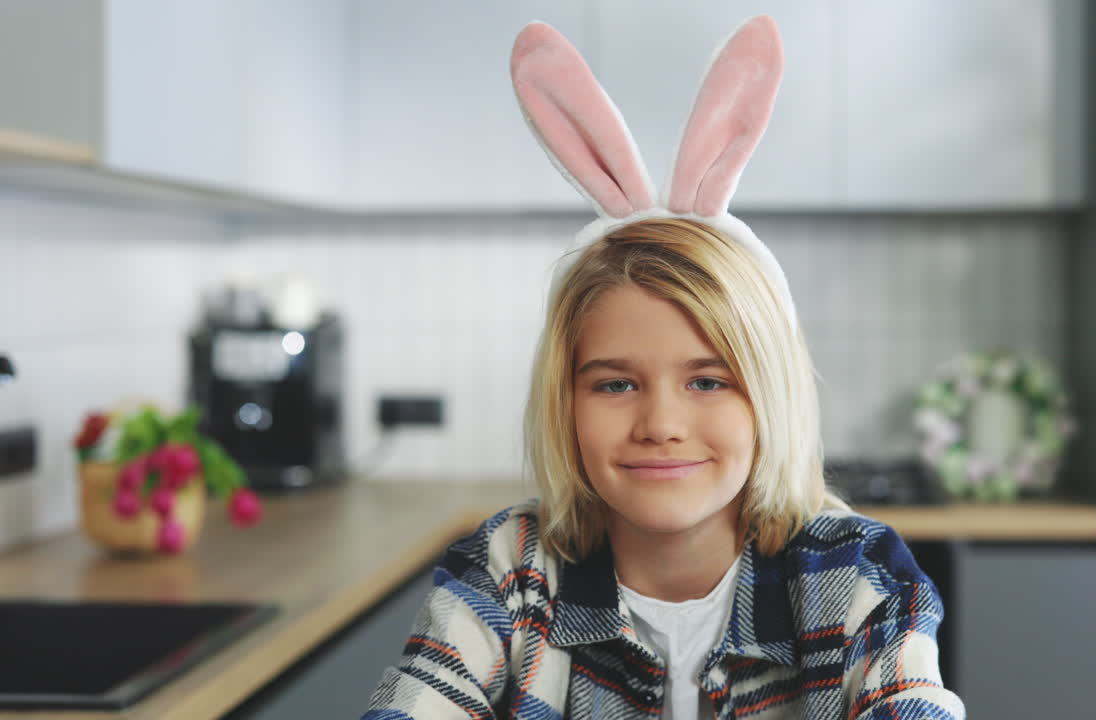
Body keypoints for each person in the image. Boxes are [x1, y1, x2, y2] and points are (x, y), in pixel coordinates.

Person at [363, 15, 964, 720]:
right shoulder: (506, 571)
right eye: (616, 384)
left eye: (707, 382)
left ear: (770, 396)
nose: (661, 425)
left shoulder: (857, 578)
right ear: (565, 402)